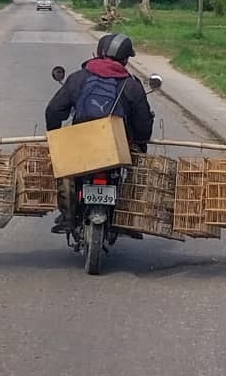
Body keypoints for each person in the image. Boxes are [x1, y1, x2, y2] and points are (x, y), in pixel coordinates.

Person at [45, 33, 154, 233]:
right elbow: (143, 123)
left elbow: (53, 111)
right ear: (126, 59)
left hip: (81, 144)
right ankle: (128, 214)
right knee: (137, 171)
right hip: (117, 147)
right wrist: (141, 143)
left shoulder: (78, 78)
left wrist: (54, 136)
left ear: (97, 53)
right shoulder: (132, 85)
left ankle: (68, 216)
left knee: (65, 169)